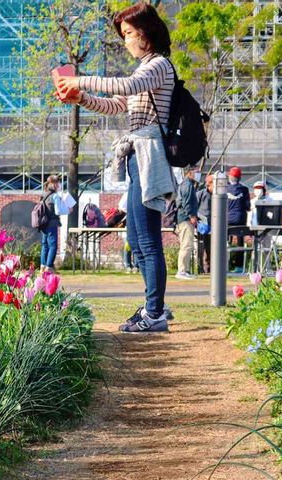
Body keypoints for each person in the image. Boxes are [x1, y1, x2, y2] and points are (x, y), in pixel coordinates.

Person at [55, 2, 175, 333]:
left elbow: (126, 87)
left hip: (150, 155)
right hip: (137, 154)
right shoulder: (144, 70)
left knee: (148, 240)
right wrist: (80, 97)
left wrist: (82, 78)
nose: (126, 42)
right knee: (137, 239)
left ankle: (155, 312)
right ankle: (156, 306)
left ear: (146, 33)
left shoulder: (159, 66)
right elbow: (115, 105)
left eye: (129, 34)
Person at [175, 166, 199, 279]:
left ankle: (186, 270)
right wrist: (192, 216)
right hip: (185, 219)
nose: (198, 174)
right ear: (189, 173)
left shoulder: (186, 184)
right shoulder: (188, 185)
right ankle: (182, 270)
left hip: (184, 218)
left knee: (187, 245)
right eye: (196, 172)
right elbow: (187, 203)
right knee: (186, 245)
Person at [226, 166, 250, 271]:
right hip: (240, 219)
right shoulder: (244, 190)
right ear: (240, 177)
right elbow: (248, 206)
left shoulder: (225, 189)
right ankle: (239, 266)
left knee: (225, 242)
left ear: (230, 176)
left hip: (227, 219)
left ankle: (224, 265)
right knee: (240, 243)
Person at [39, 175, 62, 272]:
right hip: (52, 224)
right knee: (53, 246)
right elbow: (57, 211)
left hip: (43, 223)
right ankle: (49, 267)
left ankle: (43, 266)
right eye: (58, 183)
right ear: (55, 184)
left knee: (45, 245)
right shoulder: (55, 196)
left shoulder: (43, 194)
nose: (59, 185)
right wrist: (67, 209)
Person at [197, 174, 213, 273]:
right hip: (203, 225)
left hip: (214, 224)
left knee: (211, 247)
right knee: (203, 247)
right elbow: (195, 207)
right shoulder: (201, 194)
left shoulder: (218, 195)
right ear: (208, 184)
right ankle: (202, 268)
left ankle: (211, 267)